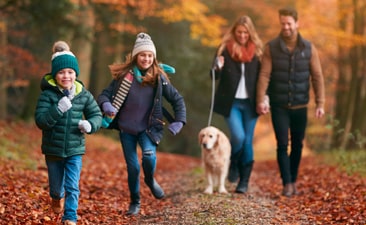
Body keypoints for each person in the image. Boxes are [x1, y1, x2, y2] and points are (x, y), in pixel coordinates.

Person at [97, 32, 187, 215]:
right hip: (126, 129)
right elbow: (104, 95)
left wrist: (179, 121)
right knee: (133, 167)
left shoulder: (159, 78)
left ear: (153, 58)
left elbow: (177, 100)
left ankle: (150, 180)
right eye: (142, 55)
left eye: (149, 55)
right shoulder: (124, 76)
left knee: (148, 156)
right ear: (136, 56)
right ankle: (135, 201)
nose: (146, 58)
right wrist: (106, 105)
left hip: (148, 128)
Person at [256, 7, 325, 197]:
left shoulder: (308, 48)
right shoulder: (272, 47)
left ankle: (293, 180)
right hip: (279, 106)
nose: (285, 27)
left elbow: (317, 76)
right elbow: (264, 75)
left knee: (297, 145)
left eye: (288, 23)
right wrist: (261, 99)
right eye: (282, 23)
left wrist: (320, 103)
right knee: (282, 144)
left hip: (301, 105)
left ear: (297, 23)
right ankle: (286, 183)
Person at [34, 41, 102, 225]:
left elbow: (96, 114)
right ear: (55, 75)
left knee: (73, 186)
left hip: (75, 149)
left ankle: (70, 217)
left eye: (70, 72)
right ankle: (56, 198)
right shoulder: (47, 95)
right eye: (62, 72)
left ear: (75, 74)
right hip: (53, 150)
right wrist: (58, 108)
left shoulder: (83, 94)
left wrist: (90, 125)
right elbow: (41, 121)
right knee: (57, 188)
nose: (66, 76)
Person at [210, 15, 265, 193]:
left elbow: (265, 78)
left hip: (250, 103)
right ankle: (233, 162)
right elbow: (213, 77)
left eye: (246, 33)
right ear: (234, 32)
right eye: (239, 32)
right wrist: (217, 66)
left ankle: (244, 181)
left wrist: (265, 99)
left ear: (250, 33)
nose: (242, 36)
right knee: (239, 137)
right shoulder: (224, 49)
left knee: (248, 141)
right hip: (231, 102)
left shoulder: (257, 52)